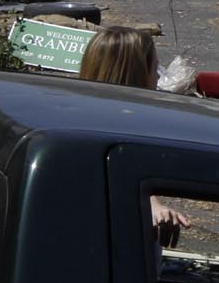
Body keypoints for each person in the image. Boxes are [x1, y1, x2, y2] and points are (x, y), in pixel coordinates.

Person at [79, 26, 193, 241]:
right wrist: (149, 206)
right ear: (138, 74)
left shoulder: (78, 114)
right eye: (155, 70)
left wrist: (152, 203)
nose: (158, 81)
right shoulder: (113, 131)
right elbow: (117, 173)